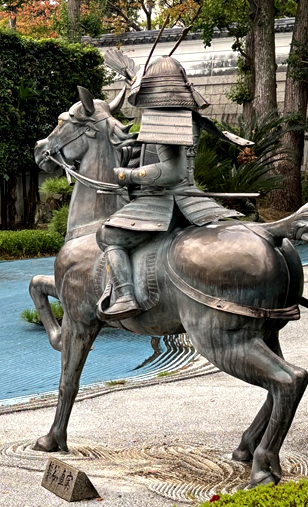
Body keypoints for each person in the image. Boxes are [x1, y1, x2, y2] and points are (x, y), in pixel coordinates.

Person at [96, 56, 253, 321]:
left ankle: (124, 296)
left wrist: (128, 174)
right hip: (191, 198)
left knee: (109, 236)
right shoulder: (189, 116)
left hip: (167, 202)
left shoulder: (165, 118)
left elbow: (173, 171)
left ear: (153, 89)